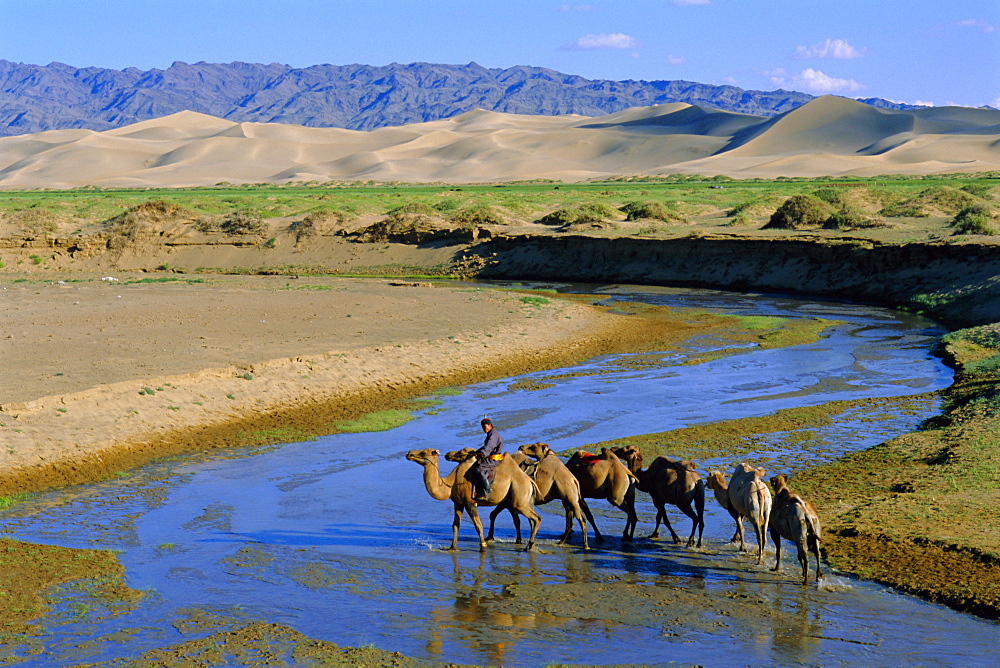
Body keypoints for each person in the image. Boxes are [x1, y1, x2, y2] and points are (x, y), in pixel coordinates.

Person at [472, 416, 503, 501]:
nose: (483, 429)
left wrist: (483, 453)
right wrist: (476, 452)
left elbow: (489, 447)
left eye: (485, 427)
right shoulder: (492, 433)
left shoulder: (493, 435)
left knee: (479, 469)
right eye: (482, 427)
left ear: (490, 425)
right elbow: (486, 446)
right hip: (490, 456)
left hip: (492, 459)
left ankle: (485, 491)